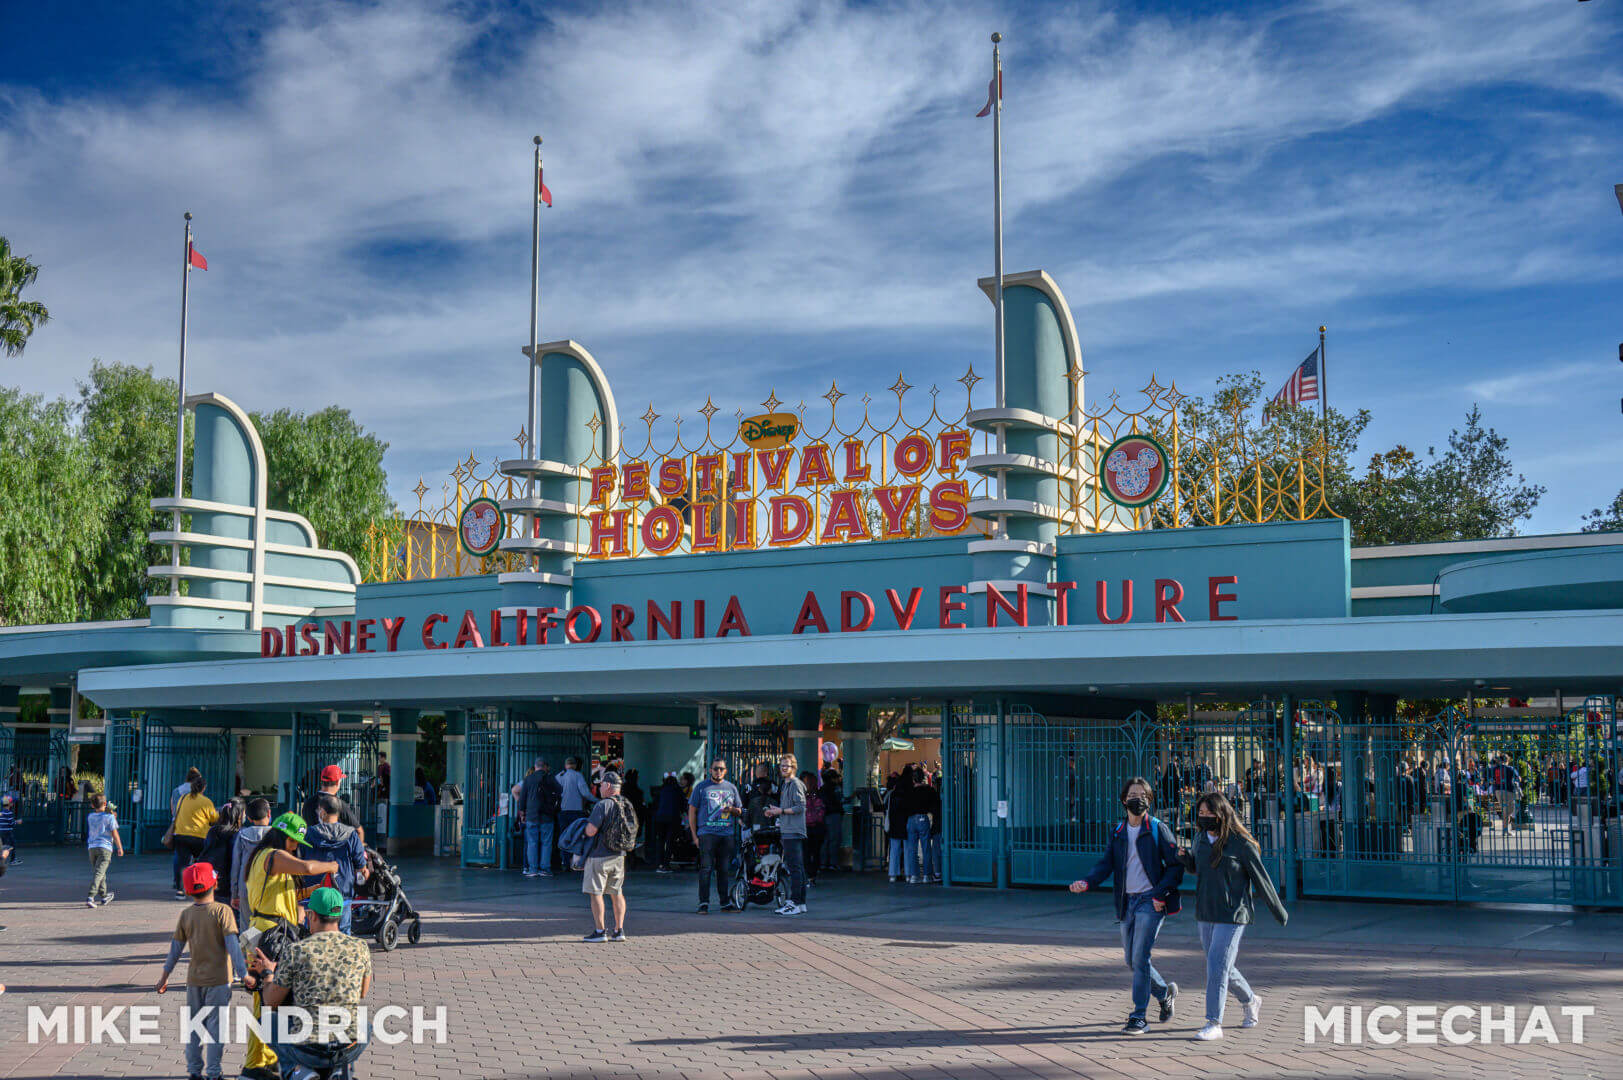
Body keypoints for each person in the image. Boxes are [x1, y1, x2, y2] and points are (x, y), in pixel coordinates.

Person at [1069, 776, 1183, 1035]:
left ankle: (1138, 1016)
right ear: (1123, 800)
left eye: (1143, 794)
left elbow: (1175, 866)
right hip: (1126, 902)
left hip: (1150, 902)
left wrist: (1160, 893)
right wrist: (1087, 882)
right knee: (1131, 960)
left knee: (1140, 957)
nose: (1137, 798)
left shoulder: (1157, 828)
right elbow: (1106, 863)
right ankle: (1164, 993)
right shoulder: (1118, 832)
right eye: (1133, 794)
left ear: (1150, 800)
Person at [1170, 791, 1287, 1041]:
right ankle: (1250, 999)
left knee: (1216, 966)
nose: (1203, 818)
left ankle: (1214, 1022)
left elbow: (1261, 879)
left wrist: (1278, 911)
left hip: (1233, 913)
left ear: (1221, 814)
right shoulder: (1201, 839)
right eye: (1200, 813)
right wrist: (1183, 859)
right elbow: (1197, 868)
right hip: (1205, 911)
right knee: (1222, 966)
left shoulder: (1241, 843)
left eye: (1208, 813)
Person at [240, 813, 338, 1080]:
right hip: (268, 935)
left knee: (272, 999)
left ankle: (268, 1060)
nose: (295, 847)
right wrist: (330, 867)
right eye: (294, 842)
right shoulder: (272, 855)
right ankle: (253, 1066)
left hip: (269, 932)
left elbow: (289, 894)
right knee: (267, 1000)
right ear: (284, 836)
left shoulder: (271, 862)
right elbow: (306, 868)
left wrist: (315, 889)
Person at [252, 886, 372, 1079]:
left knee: (266, 1022)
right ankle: (341, 1069)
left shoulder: (296, 950)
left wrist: (268, 973)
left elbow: (271, 1001)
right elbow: (362, 992)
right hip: (347, 1046)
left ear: (313, 915)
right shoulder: (361, 947)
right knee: (366, 1025)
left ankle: (297, 1071)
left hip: (309, 1049)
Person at [157, 862, 247, 1080]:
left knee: (194, 1027)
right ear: (214, 884)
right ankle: (214, 1073)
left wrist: (164, 977)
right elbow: (233, 946)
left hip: (194, 981)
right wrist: (244, 973)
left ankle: (194, 1071)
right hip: (219, 980)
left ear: (188, 890)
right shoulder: (223, 912)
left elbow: (175, 950)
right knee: (216, 1028)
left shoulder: (186, 915)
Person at [301, 794, 370, 934]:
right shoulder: (351, 834)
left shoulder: (309, 834)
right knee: (343, 929)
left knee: (312, 932)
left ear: (322, 812)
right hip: (342, 891)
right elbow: (360, 865)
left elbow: (300, 859)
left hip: (314, 892)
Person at [581, 771, 633, 941]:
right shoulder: (626, 804)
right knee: (617, 892)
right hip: (619, 855)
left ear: (608, 785)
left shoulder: (603, 805)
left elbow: (591, 831)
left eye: (601, 784)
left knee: (596, 893)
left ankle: (600, 931)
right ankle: (619, 930)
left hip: (599, 856)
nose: (599, 787)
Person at [688, 758, 742, 913]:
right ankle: (703, 903)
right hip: (707, 834)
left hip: (726, 834)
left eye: (721, 769)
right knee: (706, 869)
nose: (718, 771)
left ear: (725, 771)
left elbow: (739, 810)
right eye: (716, 768)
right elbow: (692, 811)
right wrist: (694, 835)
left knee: (724, 870)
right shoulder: (701, 787)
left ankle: (725, 903)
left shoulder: (731, 788)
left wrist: (731, 809)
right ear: (710, 770)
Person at [764, 754, 808, 916]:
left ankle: (795, 902)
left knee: (794, 868)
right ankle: (800, 902)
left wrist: (780, 811)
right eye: (782, 765)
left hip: (793, 831)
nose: (784, 768)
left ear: (793, 767)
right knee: (798, 868)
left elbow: (800, 807)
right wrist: (776, 812)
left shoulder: (795, 784)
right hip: (788, 830)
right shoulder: (786, 785)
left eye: (787, 766)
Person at [172, 775, 218, 900]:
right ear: (203, 788)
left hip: (181, 835)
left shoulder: (183, 798)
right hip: (199, 836)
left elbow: (176, 813)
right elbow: (214, 819)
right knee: (202, 861)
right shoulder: (206, 801)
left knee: (182, 863)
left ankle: (180, 890)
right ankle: (200, 887)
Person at [232, 798, 273, 931]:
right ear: (269, 813)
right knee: (269, 925)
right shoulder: (277, 836)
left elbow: (236, 867)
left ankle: (248, 951)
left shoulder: (242, 835)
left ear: (249, 818)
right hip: (269, 888)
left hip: (246, 888)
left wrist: (235, 893)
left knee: (247, 926)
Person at [197, 800, 243, 912]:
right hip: (230, 885)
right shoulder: (239, 834)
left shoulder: (212, 831)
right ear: (238, 816)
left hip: (213, 881)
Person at [519, 756, 561, 878]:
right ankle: (545, 869)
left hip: (532, 815)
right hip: (547, 815)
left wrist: (522, 813)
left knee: (532, 842)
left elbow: (522, 798)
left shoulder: (528, 779)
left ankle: (532, 869)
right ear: (545, 766)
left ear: (535, 766)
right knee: (546, 843)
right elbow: (560, 790)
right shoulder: (550, 778)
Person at [301, 764, 364, 840]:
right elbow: (359, 831)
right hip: (336, 850)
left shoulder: (308, 803)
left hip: (313, 849)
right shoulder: (339, 804)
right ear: (337, 782)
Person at [85, 792, 123, 907]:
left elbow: (100, 818)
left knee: (100, 872)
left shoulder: (90, 817)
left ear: (92, 805)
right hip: (105, 848)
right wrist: (120, 847)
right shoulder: (110, 817)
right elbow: (114, 833)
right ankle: (91, 896)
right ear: (105, 803)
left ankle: (104, 895)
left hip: (92, 848)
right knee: (99, 872)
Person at [557, 757, 596, 858]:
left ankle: (564, 861)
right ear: (575, 766)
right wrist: (597, 800)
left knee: (564, 837)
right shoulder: (578, 775)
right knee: (577, 837)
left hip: (563, 812)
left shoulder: (560, 776)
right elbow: (585, 793)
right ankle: (575, 861)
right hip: (576, 812)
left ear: (566, 765)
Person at [649, 772, 685, 872]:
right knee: (670, 842)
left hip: (660, 819)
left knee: (660, 841)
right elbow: (683, 805)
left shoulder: (660, 790)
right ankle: (666, 864)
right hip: (673, 819)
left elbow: (654, 805)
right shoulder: (677, 790)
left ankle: (659, 864)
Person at [905, 765, 934, 884]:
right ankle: (927, 875)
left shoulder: (909, 791)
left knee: (912, 849)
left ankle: (914, 876)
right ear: (923, 778)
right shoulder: (928, 790)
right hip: (923, 818)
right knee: (926, 848)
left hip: (911, 819)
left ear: (913, 779)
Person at [885, 768, 914, 883]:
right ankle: (908, 874)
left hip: (895, 824)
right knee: (907, 849)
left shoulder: (893, 794)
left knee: (894, 850)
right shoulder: (910, 793)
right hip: (906, 824)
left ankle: (893, 874)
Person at [801, 771, 825, 887]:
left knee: (805, 853)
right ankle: (812, 875)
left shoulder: (800, 795)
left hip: (806, 827)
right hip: (816, 827)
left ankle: (809, 875)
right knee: (815, 852)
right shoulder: (818, 795)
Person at [819, 765, 844, 871]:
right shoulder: (834, 789)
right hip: (833, 815)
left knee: (825, 840)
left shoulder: (822, 789)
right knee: (834, 839)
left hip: (824, 816)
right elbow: (838, 802)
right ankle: (833, 863)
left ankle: (823, 863)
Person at [0, 795, 17, 868]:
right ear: (9, 804)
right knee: (12, 845)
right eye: (12, 802)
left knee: (2, 846)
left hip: (1, 832)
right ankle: (13, 860)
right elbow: (11, 823)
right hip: (8, 832)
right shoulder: (9, 813)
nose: (13, 804)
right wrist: (17, 822)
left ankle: (2, 860)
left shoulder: (1, 813)